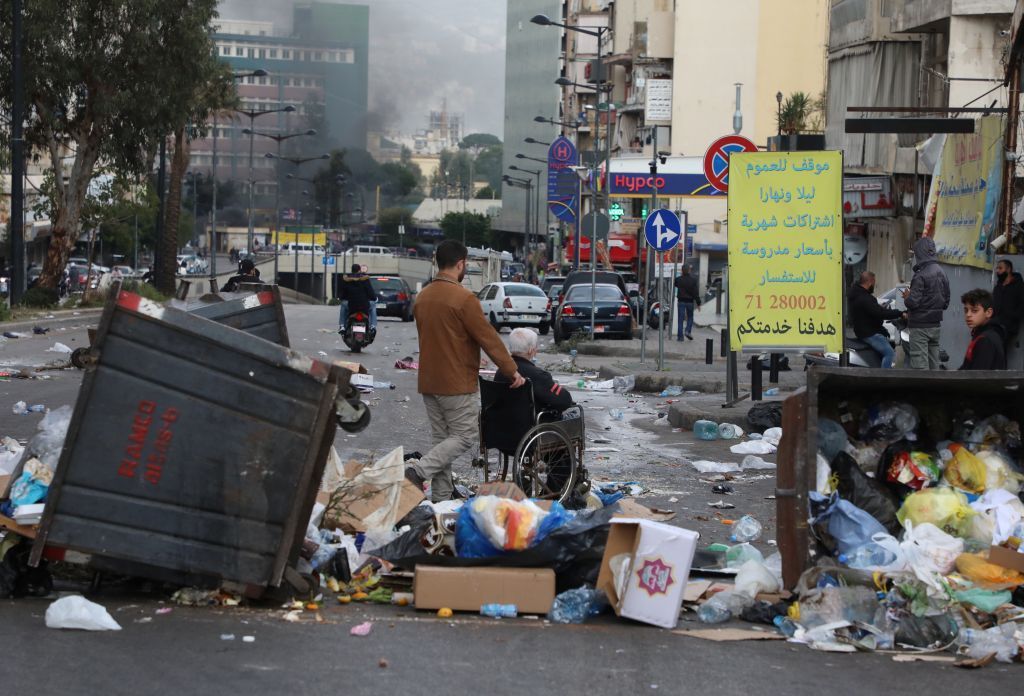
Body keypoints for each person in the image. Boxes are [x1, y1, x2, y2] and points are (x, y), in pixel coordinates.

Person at [406, 240, 525, 502]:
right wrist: (511, 370)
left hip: (428, 381)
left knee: (442, 443)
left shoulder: (423, 296)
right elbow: (488, 337)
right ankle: (417, 471)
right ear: (461, 264)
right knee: (465, 436)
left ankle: (440, 499)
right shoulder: (463, 298)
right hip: (456, 382)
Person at [496, 328, 575, 415]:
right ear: (530, 350)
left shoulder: (501, 371)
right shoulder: (538, 375)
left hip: (499, 422)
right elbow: (564, 401)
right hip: (528, 424)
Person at [901, 236, 950, 369]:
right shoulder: (942, 272)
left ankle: (922, 390)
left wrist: (907, 297)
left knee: (920, 366)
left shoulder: (920, 275)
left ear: (920, 253)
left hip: (920, 327)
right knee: (934, 364)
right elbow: (946, 302)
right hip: (935, 326)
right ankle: (935, 389)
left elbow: (913, 303)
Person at [848, 271, 904, 368]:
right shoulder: (865, 297)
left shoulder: (856, 294)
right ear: (870, 282)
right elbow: (880, 313)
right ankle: (883, 379)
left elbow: (869, 310)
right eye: (874, 283)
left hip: (862, 331)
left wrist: (878, 307)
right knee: (889, 353)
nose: (874, 285)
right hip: (870, 333)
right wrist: (900, 313)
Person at [959, 288, 1006, 370]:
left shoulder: (986, 339)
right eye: (966, 310)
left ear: (988, 313)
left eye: (974, 310)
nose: (968, 315)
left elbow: (978, 377)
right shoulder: (982, 335)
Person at [992, 258, 1024, 354]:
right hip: (996, 323)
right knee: (995, 349)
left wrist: (1013, 316)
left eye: (1000, 268)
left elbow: (1022, 304)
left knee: (1000, 349)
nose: (998, 271)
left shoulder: (1018, 285)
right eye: (997, 268)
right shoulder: (998, 287)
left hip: (1009, 325)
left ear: (1008, 269)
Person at [336, 264, 377, 337]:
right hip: (364, 306)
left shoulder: (347, 279)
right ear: (359, 270)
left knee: (343, 305)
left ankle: (342, 325)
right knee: (373, 306)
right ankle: (373, 326)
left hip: (351, 306)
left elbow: (343, 293)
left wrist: (341, 298)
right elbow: (370, 292)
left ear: (352, 270)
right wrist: (374, 298)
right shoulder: (365, 279)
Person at [673, 265, 701, 341]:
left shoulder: (678, 279)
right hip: (690, 302)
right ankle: (687, 331)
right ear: (689, 270)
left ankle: (680, 337)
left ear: (682, 271)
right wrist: (698, 303)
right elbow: (695, 293)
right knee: (690, 317)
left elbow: (675, 284)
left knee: (680, 319)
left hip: (681, 301)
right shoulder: (693, 280)